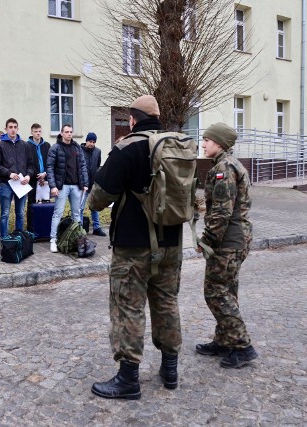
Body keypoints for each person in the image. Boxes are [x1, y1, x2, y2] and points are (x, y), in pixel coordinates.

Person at [89, 95, 182, 399]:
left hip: (133, 247)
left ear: (133, 119)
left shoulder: (127, 148)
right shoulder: (176, 145)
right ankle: (170, 370)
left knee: (128, 307)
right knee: (167, 302)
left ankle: (128, 379)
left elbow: (98, 198)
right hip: (172, 243)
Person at [195, 122, 258, 369]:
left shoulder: (224, 168)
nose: (204, 143)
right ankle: (224, 340)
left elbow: (221, 212)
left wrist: (206, 240)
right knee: (227, 290)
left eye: (207, 140)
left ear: (219, 143)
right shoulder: (228, 165)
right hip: (235, 239)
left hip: (227, 241)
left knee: (216, 291)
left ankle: (242, 346)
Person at [46, 124, 88, 253]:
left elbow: (82, 166)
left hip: (76, 186)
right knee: (58, 213)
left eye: (71, 132)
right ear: (61, 133)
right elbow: (50, 168)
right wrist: (53, 186)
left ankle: (79, 239)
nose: (69, 134)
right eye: (67, 132)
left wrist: (85, 184)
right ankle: (53, 239)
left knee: (77, 214)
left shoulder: (77, 148)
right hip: (62, 186)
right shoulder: (55, 148)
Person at [0, 118, 34, 238]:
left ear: (17, 129)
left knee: (20, 213)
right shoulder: (0, 145)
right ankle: (5, 238)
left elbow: (31, 164)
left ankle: (19, 237)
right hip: (6, 183)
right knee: (5, 213)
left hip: (21, 184)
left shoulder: (24, 145)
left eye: (15, 127)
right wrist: (8, 173)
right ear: (6, 129)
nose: (13, 129)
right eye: (10, 127)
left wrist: (28, 175)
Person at [26, 123, 50, 234]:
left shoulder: (47, 145)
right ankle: (31, 229)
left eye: (39, 131)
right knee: (31, 204)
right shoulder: (27, 146)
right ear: (31, 132)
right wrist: (37, 175)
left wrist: (45, 174)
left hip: (45, 180)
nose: (38, 133)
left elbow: (50, 162)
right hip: (32, 180)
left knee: (45, 203)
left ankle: (44, 229)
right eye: (36, 131)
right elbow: (27, 164)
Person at [80, 132, 106, 236]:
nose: (92, 144)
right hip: (83, 184)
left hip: (93, 184)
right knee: (80, 207)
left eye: (94, 142)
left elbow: (97, 165)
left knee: (94, 206)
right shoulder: (80, 150)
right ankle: (80, 228)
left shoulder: (98, 151)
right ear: (86, 141)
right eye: (90, 141)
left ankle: (96, 227)